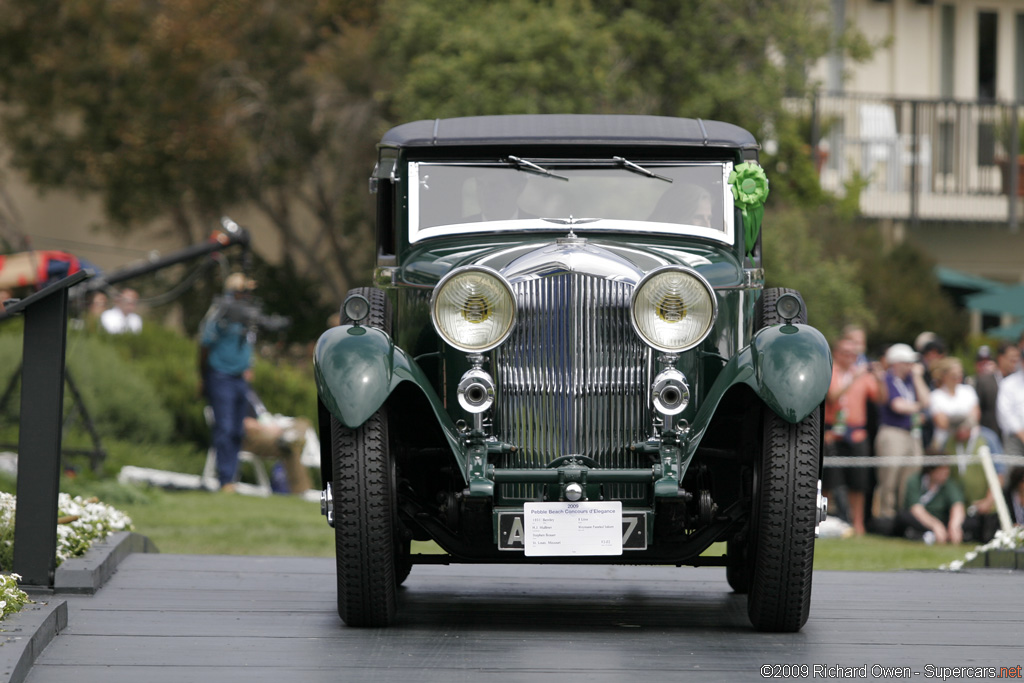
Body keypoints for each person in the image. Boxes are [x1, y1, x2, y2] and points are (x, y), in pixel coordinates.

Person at [200, 272, 258, 492]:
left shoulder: (249, 314)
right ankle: (225, 479)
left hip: (239, 377)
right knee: (224, 427)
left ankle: (231, 477)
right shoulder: (220, 312)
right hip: (220, 375)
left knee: (236, 429)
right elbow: (205, 344)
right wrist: (203, 376)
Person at [823, 337, 884, 535]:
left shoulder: (864, 375)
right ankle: (823, 521)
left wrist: (880, 377)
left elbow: (881, 398)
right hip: (833, 431)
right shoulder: (831, 371)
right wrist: (854, 377)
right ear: (836, 353)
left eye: (853, 354)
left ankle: (858, 525)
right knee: (829, 480)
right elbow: (832, 396)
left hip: (856, 432)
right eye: (845, 353)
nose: (850, 358)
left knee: (858, 482)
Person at [873, 343, 930, 528]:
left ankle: (903, 517)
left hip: (912, 434)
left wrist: (918, 378)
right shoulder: (887, 379)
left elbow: (926, 400)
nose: (911, 366)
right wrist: (918, 407)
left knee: (910, 477)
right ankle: (884, 516)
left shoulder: (911, 380)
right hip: (893, 433)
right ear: (896, 363)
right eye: (907, 363)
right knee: (889, 476)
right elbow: (898, 406)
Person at [240, 391, 314, 495]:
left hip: (272, 429)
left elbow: (263, 415)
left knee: (303, 422)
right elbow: (243, 422)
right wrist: (266, 428)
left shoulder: (250, 392)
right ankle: (302, 491)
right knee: (291, 447)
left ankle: (289, 438)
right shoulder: (234, 390)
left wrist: (274, 425)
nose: (250, 374)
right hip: (255, 436)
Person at [897, 464, 965, 544]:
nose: (946, 474)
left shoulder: (949, 484)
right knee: (902, 516)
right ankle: (926, 535)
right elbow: (916, 509)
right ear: (931, 471)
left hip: (943, 520)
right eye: (942, 471)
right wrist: (935, 525)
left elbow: (957, 505)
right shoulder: (915, 481)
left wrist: (954, 526)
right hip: (922, 521)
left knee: (972, 522)